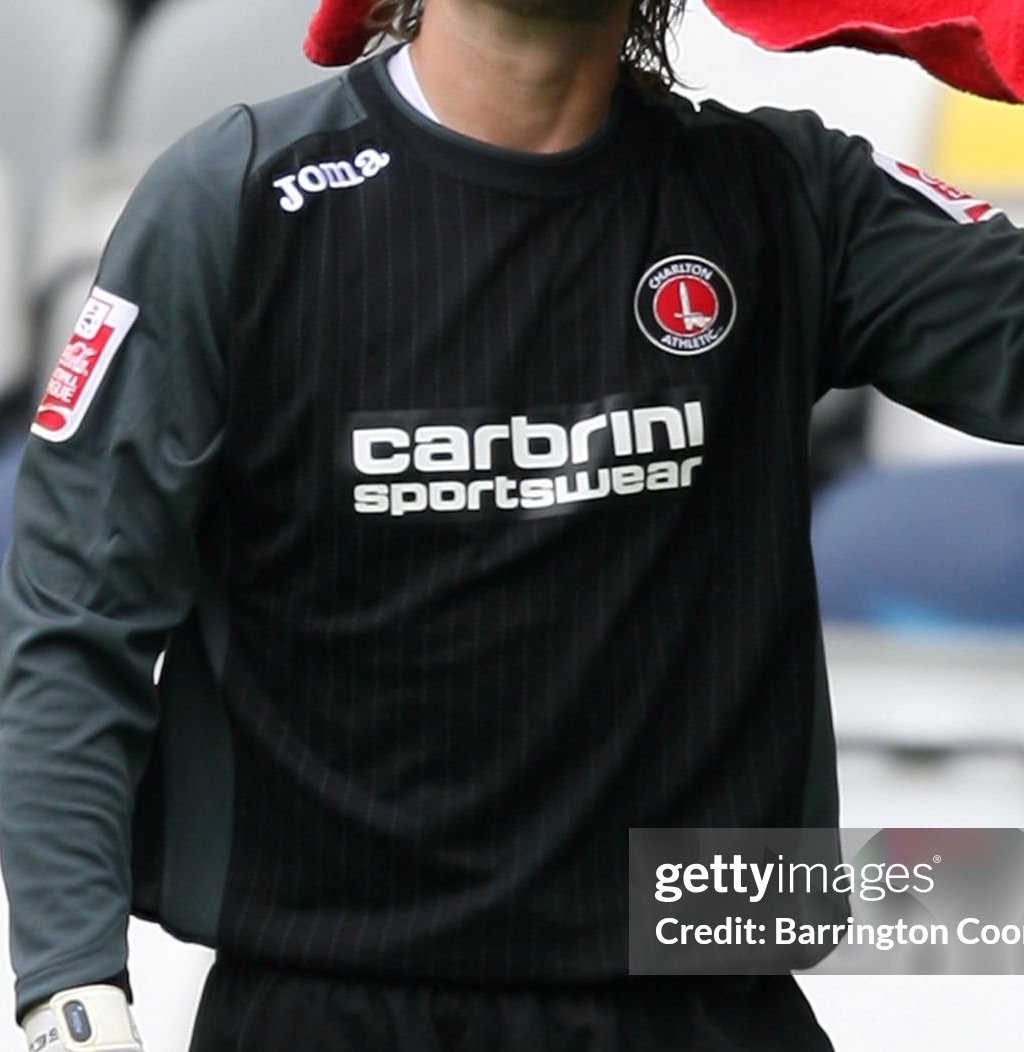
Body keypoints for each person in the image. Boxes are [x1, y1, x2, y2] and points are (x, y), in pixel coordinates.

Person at [1, 0, 1022, 1049]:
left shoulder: (782, 191)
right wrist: (72, 993)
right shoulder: (238, 198)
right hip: (333, 998)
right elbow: (76, 616)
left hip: (703, 981)